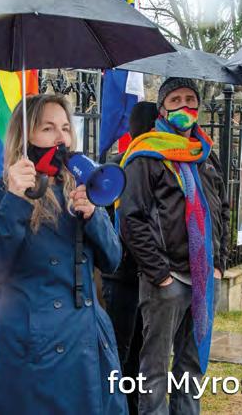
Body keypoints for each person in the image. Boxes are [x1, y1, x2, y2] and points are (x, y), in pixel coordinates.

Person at [0, 93, 127, 414]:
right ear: (24, 137)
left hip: (88, 345)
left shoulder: (81, 189)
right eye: (48, 128)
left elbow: (113, 260)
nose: (61, 138)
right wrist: (16, 199)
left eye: (66, 128)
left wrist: (94, 216)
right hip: (33, 350)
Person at [118, 78, 230, 415]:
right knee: (153, 374)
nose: (185, 107)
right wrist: (160, 275)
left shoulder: (205, 153)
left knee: (191, 370)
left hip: (205, 279)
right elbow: (131, 219)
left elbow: (223, 208)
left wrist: (220, 263)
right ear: (163, 108)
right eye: (176, 100)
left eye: (191, 100)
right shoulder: (145, 155)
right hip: (167, 283)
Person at [102, 101, 158, 415]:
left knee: (136, 352)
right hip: (124, 275)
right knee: (120, 353)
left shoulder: (148, 165)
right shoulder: (124, 167)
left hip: (138, 275)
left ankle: (131, 407)